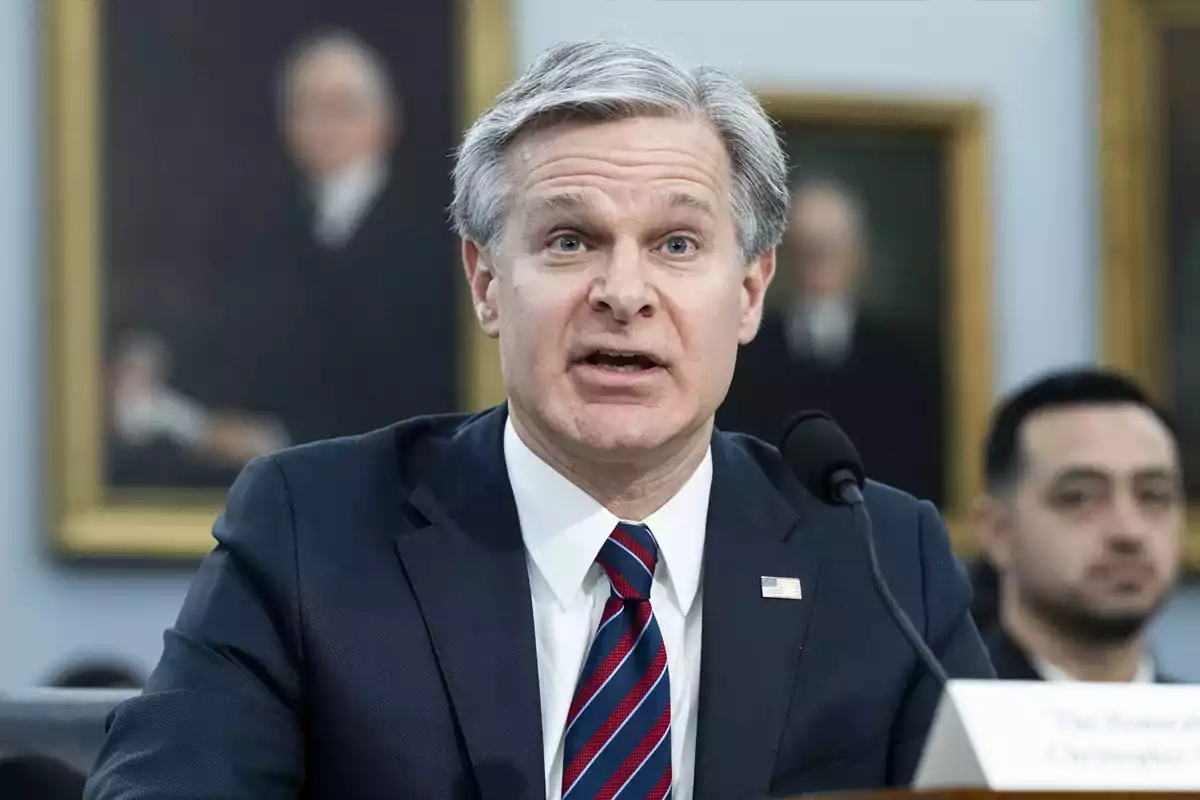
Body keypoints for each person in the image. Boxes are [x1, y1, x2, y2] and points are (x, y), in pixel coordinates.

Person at [85, 40, 993, 800]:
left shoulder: (880, 560)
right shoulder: (312, 525)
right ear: (486, 282)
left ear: (750, 292)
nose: (624, 294)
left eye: (677, 245)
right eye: (570, 241)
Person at [108, 28, 457, 488]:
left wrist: (279, 436)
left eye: (342, 107)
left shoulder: (430, 238)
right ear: (288, 125)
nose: (325, 126)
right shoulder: (271, 232)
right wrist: (151, 356)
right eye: (308, 109)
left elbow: (419, 387)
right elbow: (227, 334)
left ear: (385, 120)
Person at [718, 177, 942, 504]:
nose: (817, 265)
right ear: (780, 258)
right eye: (806, 248)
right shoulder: (746, 351)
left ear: (858, 254)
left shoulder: (903, 359)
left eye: (829, 248)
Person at [971, 368, 1184, 683]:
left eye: (1153, 496)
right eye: (1079, 498)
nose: (1129, 532)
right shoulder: (938, 721)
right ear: (997, 531)